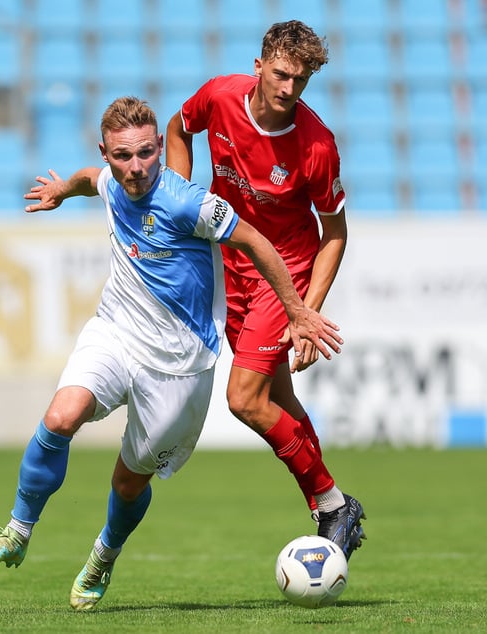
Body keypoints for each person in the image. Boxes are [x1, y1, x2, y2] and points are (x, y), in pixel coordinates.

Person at [0, 96, 344, 611]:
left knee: (127, 481)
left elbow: (257, 243)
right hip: (116, 333)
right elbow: (88, 180)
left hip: (179, 369)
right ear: (108, 153)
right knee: (61, 416)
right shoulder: (110, 183)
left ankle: (104, 554)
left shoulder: (189, 203)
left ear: (160, 150)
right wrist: (60, 190)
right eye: (123, 156)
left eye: (146, 153)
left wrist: (298, 311)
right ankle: (16, 531)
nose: (136, 167)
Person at [164, 20, 366, 559]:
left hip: (287, 275)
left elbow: (335, 233)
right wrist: (181, 197)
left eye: (300, 81)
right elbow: (178, 128)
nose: (288, 89)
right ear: (259, 66)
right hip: (230, 266)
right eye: (280, 74)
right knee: (277, 398)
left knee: (245, 399)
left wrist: (305, 312)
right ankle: (334, 509)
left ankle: (332, 505)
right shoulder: (220, 97)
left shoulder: (317, 146)